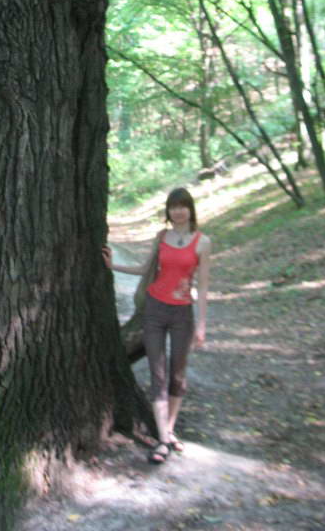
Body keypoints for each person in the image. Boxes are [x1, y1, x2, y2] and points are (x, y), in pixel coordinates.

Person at [102, 186, 211, 464]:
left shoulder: (202, 242)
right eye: (173, 207)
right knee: (158, 373)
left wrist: (201, 326)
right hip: (154, 309)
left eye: (182, 206)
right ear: (168, 212)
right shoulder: (161, 237)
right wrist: (113, 266)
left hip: (183, 314)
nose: (178, 211)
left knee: (178, 375)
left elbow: (205, 287)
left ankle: (169, 430)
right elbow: (145, 269)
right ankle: (164, 438)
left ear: (190, 209)